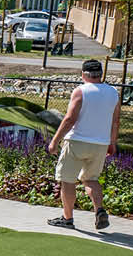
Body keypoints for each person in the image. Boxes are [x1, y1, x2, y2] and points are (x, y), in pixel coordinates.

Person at [45, 58, 120, 230]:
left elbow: (70, 119)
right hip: (100, 143)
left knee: (67, 180)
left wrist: (55, 141)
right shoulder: (113, 93)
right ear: (101, 74)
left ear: (83, 74)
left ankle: (67, 218)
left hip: (77, 141)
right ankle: (99, 210)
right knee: (91, 179)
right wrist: (112, 142)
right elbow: (116, 121)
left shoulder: (80, 91)